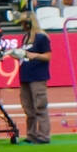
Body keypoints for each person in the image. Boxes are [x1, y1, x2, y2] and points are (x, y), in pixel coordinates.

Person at [13, 13, 54, 144]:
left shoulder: (41, 37)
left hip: (37, 76)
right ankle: (31, 135)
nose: (22, 26)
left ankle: (43, 135)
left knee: (39, 106)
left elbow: (48, 56)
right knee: (28, 108)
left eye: (24, 23)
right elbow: (24, 55)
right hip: (25, 76)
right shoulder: (25, 38)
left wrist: (34, 55)